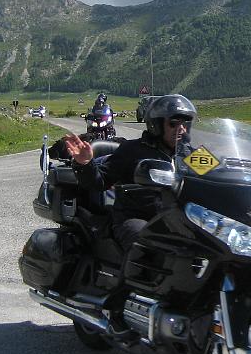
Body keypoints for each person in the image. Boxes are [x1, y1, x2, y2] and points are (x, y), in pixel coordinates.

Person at [63, 94, 197, 253]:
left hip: (180, 218)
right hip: (137, 218)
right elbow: (100, 181)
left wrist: (229, 166)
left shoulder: (193, 155)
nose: (181, 129)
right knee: (147, 247)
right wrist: (85, 164)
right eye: (173, 124)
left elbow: (215, 175)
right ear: (157, 125)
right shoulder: (133, 150)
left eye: (185, 123)